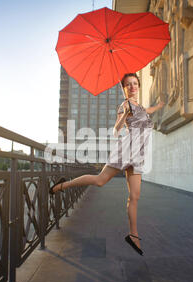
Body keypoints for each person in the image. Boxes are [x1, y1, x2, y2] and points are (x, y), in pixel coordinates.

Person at [49, 73, 166, 255]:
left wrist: (158, 106)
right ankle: (63, 185)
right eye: (128, 84)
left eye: (135, 83)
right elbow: (116, 130)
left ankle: (133, 235)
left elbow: (146, 112)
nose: (132, 87)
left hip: (138, 154)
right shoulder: (125, 105)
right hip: (127, 149)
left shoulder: (140, 106)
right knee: (100, 180)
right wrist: (124, 115)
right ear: (123, 88)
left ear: (139, 86)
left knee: (135, 196)